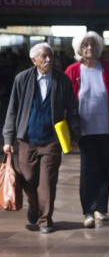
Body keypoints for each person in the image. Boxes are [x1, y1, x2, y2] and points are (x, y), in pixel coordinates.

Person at [3, 43, 80, 234]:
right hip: (27, 140)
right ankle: (34, 205)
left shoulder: (62, 81)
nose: (48, 60)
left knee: (48, 181)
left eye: (50, 56)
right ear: (33, 60)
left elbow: (72, 110)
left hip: (52, 141)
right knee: (29, 179)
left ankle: (45, 218)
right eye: (43, 57)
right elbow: (12, 110)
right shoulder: (22, 80)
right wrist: (8, 139)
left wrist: (75, 135)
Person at [65, 32, 109, 228]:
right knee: (88, 170)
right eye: (85, 45)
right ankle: (88, 211)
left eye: (93, 45)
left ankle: (101, 208)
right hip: (84, 130)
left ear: (99, 48)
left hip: (107, 128)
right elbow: (66, 101)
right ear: (79, 49)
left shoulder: (107, 69)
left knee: (106, 168)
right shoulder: (73, 70)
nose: (89, 48)